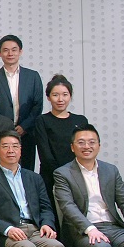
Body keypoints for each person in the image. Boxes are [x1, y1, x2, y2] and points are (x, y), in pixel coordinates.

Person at [0, 36, 43, 170]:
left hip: (27, 133)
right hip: (1, 132)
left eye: (14, 50)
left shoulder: (33, 76)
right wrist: (5, 125)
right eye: (5, 50)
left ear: (20, 52)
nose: (10, 53)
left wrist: (24, 126)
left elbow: (37, 105)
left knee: (27, 170)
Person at [34, 74, 89, 212]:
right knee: (53, 214)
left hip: (78, 176)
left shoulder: (81, 121)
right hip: (51, 176)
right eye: (55, 95)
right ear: (48, 97)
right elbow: (45, 155)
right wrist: (62, 175)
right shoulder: (42, 120)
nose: (60, 99)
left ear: (70, 96)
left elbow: (85, 150)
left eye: (65, 94)